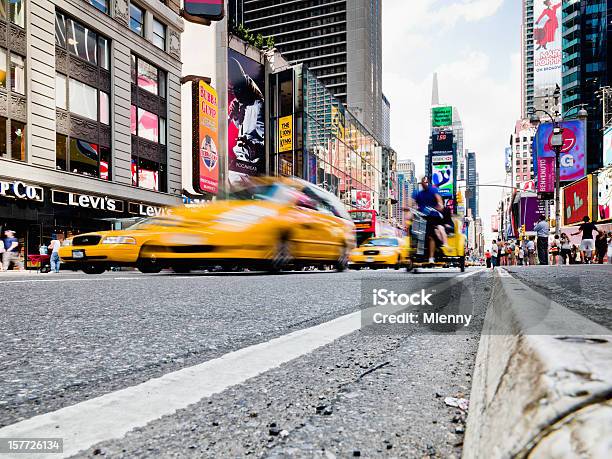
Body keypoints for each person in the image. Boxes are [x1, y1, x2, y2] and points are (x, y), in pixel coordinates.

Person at [228, 58, 265, 167]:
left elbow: (265, 139)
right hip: (242, 158)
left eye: (237, 89)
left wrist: (251, 145)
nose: (235, 94)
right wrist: (235, 115)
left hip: (252, 162)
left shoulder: (258, 106)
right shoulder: (244, 106)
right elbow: (241, 126)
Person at [410, 176, 444, 264]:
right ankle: (415, 254)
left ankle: (431, 258)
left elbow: (439, 201)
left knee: (430, 236)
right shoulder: (418, 193)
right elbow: (412, 204)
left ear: (428, 182)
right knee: (414, 233)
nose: (424, 184)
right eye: (423, 182)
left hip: (432, 216)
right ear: (421, 183)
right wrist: (410, 209)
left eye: (426, 182)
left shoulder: (433, 190)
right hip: (421, 217)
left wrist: (439, 206)